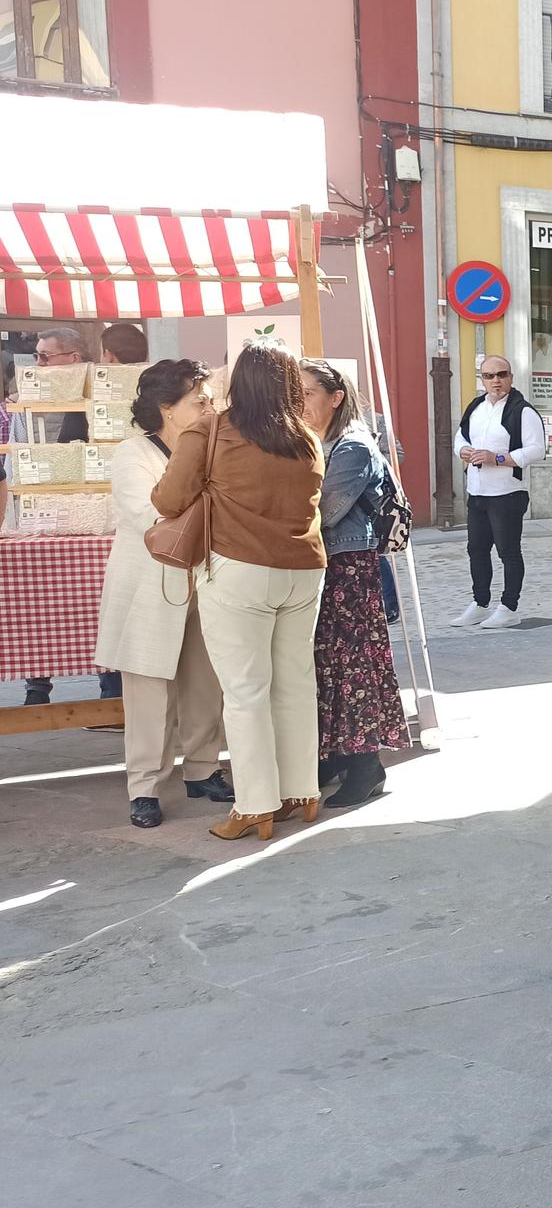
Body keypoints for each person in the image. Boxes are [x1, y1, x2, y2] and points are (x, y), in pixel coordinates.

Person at [154, 343, 327, 842]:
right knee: (295, 684)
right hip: (303, 569)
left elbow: (167, 500)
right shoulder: (307, 438)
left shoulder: (211, 430)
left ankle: (254, 806)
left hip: (238, 568)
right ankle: (302, 792)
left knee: (246, 692)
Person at [93, 359, 232, 828]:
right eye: (200, 400)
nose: (211, 407)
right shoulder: (134, 453)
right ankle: (144, 788)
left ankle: (203, 769)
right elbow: (147, 515)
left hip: (206, 580)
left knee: (205, 681)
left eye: (211, 399)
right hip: (150, 586)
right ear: (167, 408)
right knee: (149, 691)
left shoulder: (216, 447)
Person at [300, 360, 408, 808]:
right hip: (323, 567)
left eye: (306, 393)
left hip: (349, 568)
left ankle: (366, 765)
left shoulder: (353, 447)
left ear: (335, 397)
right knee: (325, 666)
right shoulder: (314, 442)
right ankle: (336, 754)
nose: (298, 402)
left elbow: (322, 511)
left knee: (354, 669)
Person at [24, 326, 120, 706]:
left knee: (104, 604)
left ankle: (111, 693)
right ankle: (36, 687)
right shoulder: (30, 404)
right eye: (36, 356)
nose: (37, 364)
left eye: (45, 357)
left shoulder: (100, 400)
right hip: (44, 519)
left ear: (74, 360)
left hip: (95, 519)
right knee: (35, 603)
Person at [452, 355, 546, 629]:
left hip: (507, 493)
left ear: (511, 378)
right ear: (482, 379)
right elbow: (461, 436)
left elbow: (537, 449)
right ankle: (480, 603)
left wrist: (499, 458)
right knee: (476, 550)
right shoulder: (476, 407)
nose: (496, 381)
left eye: (501, 375)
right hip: (478, 491)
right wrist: (463, 450)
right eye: (489, 376)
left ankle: (509, 606)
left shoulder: (522, 411)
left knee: (508, 551)